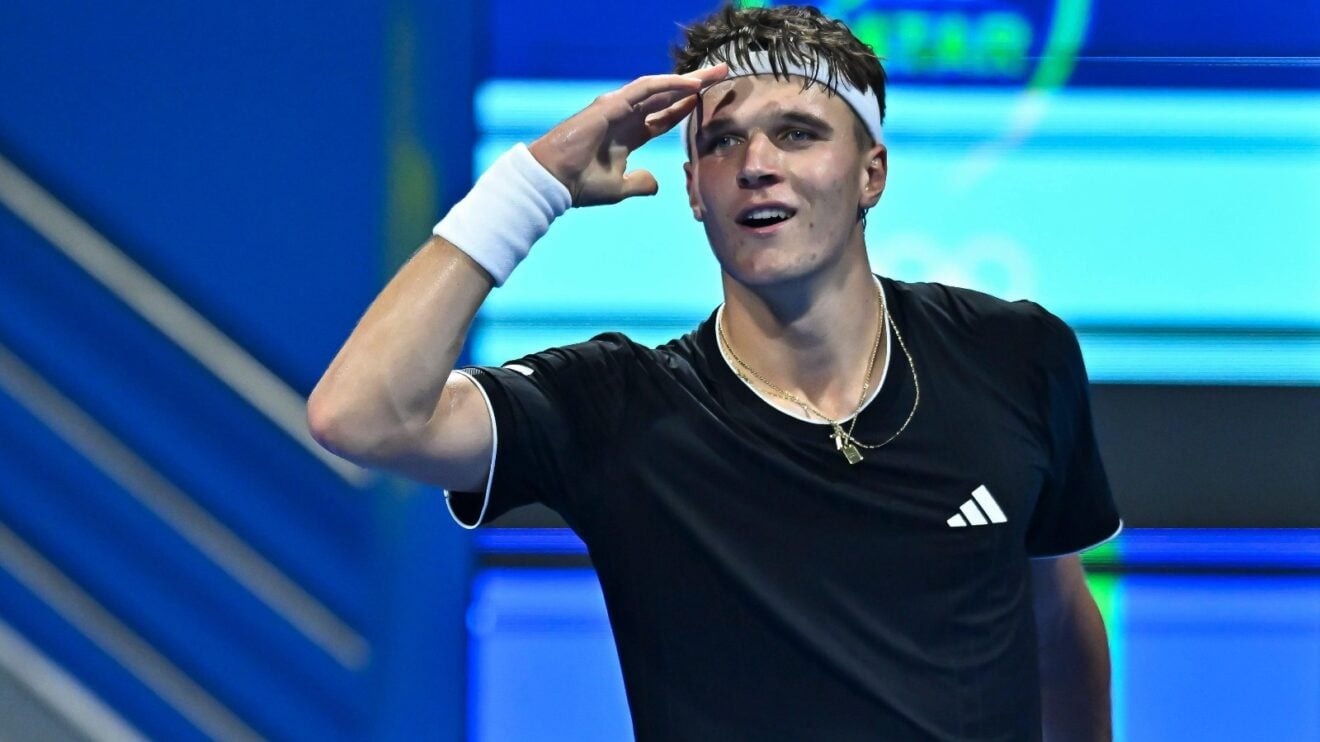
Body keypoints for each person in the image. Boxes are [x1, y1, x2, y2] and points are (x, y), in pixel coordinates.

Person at [308, 4, 1121, 740]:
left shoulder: (1015, 354)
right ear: (694, 188)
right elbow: (362, 415)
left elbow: (1054, 623)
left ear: (871, 171)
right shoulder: (617, 406)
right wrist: (536, 182)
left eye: (798, 132)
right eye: (722, 141)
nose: (756, 163)